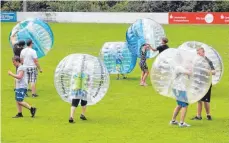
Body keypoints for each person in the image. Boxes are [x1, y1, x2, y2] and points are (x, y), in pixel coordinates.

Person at [192, 47, 215, 120]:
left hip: (206, 83)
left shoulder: (208, 61)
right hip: (198, 82)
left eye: (199, 53)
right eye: (197, 53)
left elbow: (214, 72)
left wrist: (207, 71)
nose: (198, 54)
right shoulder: (197, 61)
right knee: (199, 99)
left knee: (206, 100)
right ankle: (198, 116)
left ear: (203, 52)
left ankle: (208, 115)